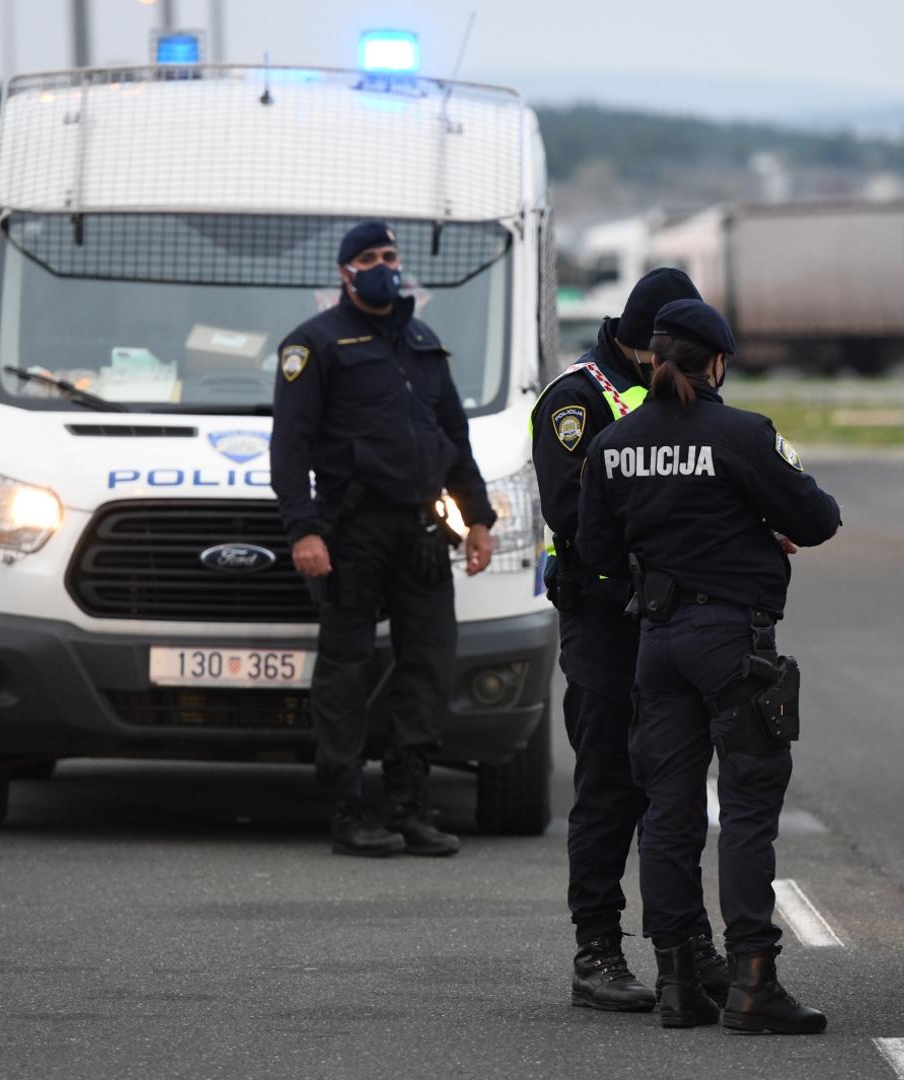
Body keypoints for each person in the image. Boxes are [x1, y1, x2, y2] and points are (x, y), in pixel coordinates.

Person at [577, 299, 841, 1033]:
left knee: (667, 812)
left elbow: (596, 552)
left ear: (653, 359)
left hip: (656, 644)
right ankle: (753, 980)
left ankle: (679, 982)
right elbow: (818, 519)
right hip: (730, 640)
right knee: (750, 807)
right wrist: (753, 530)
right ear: (717, 362)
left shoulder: (614, 444)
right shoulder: (742, 434)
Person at [530, 269, 731, 1013]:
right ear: (638, 340)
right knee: (610, 786)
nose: (672, 360)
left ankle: (686, 943)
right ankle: (598, 950)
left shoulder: (676, 386)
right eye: (663, 348)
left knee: (675, 791)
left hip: (675, 619)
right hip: (606, 620)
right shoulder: (576, 398)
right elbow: (568, 511)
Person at [271, 220, 497, 859]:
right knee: (344, 670)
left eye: (389, 255)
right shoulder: (314, 344)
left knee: (427, 665)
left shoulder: (422, 341)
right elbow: (289, 449)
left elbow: (454, 437)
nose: (382, 265)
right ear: (345, 272)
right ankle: (348, 809)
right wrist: (303, 530)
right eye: (368, 257)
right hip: (352, 531)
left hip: (422, 529)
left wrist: (477, 520)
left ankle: (409, 804)